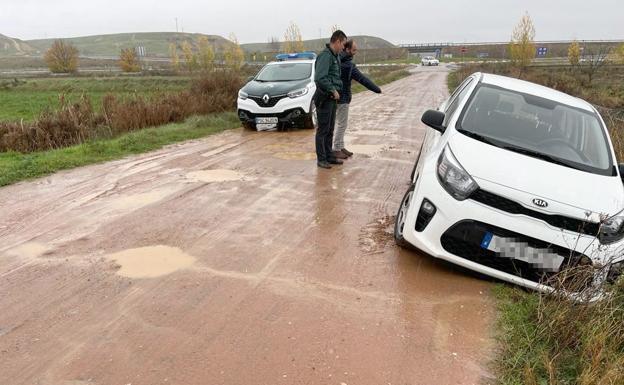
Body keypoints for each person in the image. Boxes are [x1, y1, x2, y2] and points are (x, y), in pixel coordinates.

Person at [333, 39, 382, 159]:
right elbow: (362, 79)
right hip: (342, 98)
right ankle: (336, 149)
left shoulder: (337, 60)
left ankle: (340, 146)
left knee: (340, 124)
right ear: (347, 49)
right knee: (342, 124)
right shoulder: (348, 65)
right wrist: (377, 89)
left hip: (335, 97)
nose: (355, 52)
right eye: (354, 50)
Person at [314, 30, 347, 169]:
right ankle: (321, 159)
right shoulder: (325, 56)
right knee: (323, 130)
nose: (344, 47)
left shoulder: (335, 56)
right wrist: (332, 89)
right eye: (343, 44)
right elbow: (320, 77)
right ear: (337, 41)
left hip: (332, 98)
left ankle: (329, 156)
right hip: (325, 98)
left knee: (330, 129)